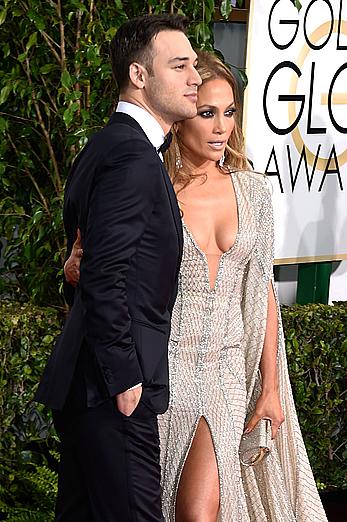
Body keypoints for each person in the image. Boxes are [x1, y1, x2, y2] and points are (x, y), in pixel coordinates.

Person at [65, 51, 327, 521]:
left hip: (226, 371)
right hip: (162, 370)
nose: (220, 127)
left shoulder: (253, 191)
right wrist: (77, 267)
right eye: (207, 113)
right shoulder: (150, 183)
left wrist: (270, 386)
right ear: (182, 116)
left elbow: (261, 288)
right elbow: (108, 270)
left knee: (198, 512)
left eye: (229, 113)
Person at [35, 14, 201, 522]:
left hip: (93, 383)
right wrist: (125, 377)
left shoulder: (110, 145)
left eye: (195, 65)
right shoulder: (131, 155)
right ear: (139, 75)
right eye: (180, 65)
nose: (195, 77)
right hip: (112, 389)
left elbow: (85, 265)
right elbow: (105, 274)